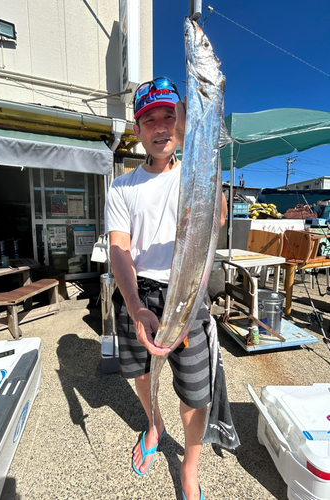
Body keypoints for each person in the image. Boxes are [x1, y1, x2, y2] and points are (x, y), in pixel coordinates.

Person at [105, 77, 228, 500]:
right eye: (149, 119)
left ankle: (190, 467)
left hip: (188, 293)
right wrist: (136, 307)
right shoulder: (122, 186)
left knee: (196, 391)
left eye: (168, 117)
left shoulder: (194, 172)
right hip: (138, 292)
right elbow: (119, 248)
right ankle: (154, 424)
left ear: (179, 127)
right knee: (141, 373)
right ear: (136, 131)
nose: (160, 127)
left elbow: (217, 222)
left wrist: (207, 160)